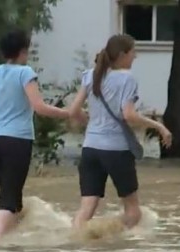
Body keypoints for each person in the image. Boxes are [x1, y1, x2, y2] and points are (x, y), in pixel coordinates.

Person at [0, 29, 84, 241]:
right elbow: (40, 107)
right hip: (18, 142)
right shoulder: (25, 73)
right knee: (9, 200)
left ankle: (7, 241)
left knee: (12, 199)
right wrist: (69, 113)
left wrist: (5, 100)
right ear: (23, 51)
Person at [66, 34, 173, 231]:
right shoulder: (127, 79)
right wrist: (159, 127)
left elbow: (73, 112)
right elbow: (129, 115)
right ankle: (118, 246)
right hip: (116, 151)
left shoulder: (90, 75)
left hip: (90, 149)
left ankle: (77, 245)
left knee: (86, 210)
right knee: (134, 212)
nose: (135, 57)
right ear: (123, 54)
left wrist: (91, 122)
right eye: (133, 52)